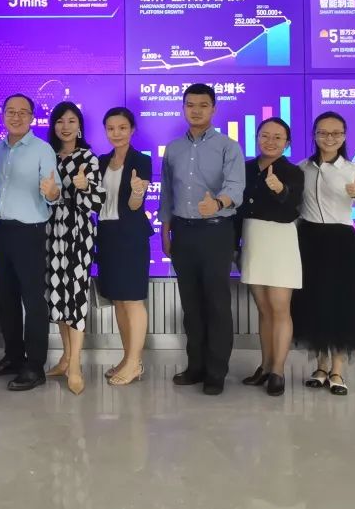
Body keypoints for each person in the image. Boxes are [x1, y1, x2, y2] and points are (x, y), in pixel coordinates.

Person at [159, 83, 246, 396]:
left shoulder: (228, 147)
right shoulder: (173, 149)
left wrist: (218, 203)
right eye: (190, 105)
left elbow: (236, 187)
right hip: (183, 232)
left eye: (203, 105)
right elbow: (167, 192)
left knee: (216, 304)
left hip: (216, 232)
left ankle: (216, 372)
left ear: (213, 109)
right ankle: (195, 366)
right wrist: (165, 230)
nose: (196, 110)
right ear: (183, 108)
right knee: (191, 305)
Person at [293, 111, 355, 396]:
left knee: (342, 303)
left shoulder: (353, 169)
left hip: (341, 241)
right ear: (314, 135)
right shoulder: (302, 168)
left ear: (344, 136)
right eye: (323, 132)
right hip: (309, 239)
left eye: (336, 133)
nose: (329, 138)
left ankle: (337, 370)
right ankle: (320, 367)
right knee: (315, 302)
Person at [0, 94, 60, 392]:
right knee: (6, 298)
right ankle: (13, 357)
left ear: (31, 117)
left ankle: (35, 366)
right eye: (10, 111)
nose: (16, 117)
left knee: (33, 301)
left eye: (22, 112)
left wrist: (51, 191)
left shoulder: (42, 149)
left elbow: (53, 193)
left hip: (29, 233)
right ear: (3, 115)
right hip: (0, 232)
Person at [38, 101, 104, 395]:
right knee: (58, 296)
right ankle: (65, 357)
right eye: (60, 121)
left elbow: (97, 203)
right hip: (51, 232)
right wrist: (51, 195)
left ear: (79, 126)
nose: (65, 126)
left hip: (78, 232)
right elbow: (40, 195)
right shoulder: (47, 156)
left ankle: (75, 364)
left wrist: (83, 186)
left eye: (71, 121)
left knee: (75, 297)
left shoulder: (88, 158)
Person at [236, 117, 304, 397]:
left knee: (279, 307)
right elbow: (237, 209)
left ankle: (278, 370)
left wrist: (280, 190)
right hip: (253, 238)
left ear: (287, 143)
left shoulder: (293, 171)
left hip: (280, 239)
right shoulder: (245, 168)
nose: (270, 141)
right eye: (265, 135)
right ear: (257, 138)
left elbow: (293, 207)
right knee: (263, 308)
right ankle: (264, 366)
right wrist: (234, 245)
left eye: (278, 137)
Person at [95, 108, 153, 387]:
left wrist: (138, 192)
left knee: (132, 299)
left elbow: (133, 205)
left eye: (122, 128)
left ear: (132, 130)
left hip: (131, 236)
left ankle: (135, 363)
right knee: (118, 299)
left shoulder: (141, 161)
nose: (116, 133)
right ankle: (127, 358)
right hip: (106, 235)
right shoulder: (101, 161)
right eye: (111, 128)